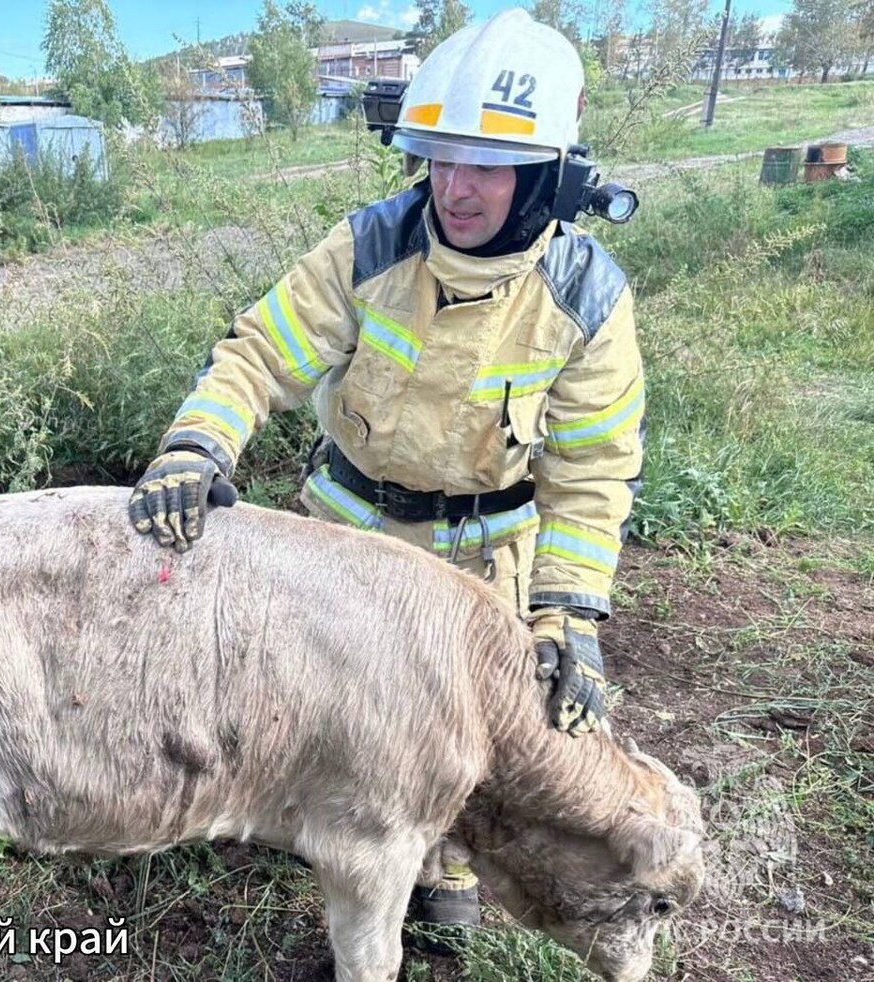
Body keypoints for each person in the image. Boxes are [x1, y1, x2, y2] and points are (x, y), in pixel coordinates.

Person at [128, 7, 644, 945]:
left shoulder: (585, 298)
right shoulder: (371, 245)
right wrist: (196, 443)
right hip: (349, 542)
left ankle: (442, 864)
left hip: (486, 566)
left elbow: (593, 470)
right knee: (317, 708)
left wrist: (570, 614)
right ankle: (316, 824)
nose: (454, 186)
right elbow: (259, 355)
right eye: (440, 158)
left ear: (551, 179)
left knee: (465, 737)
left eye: (485, 164)